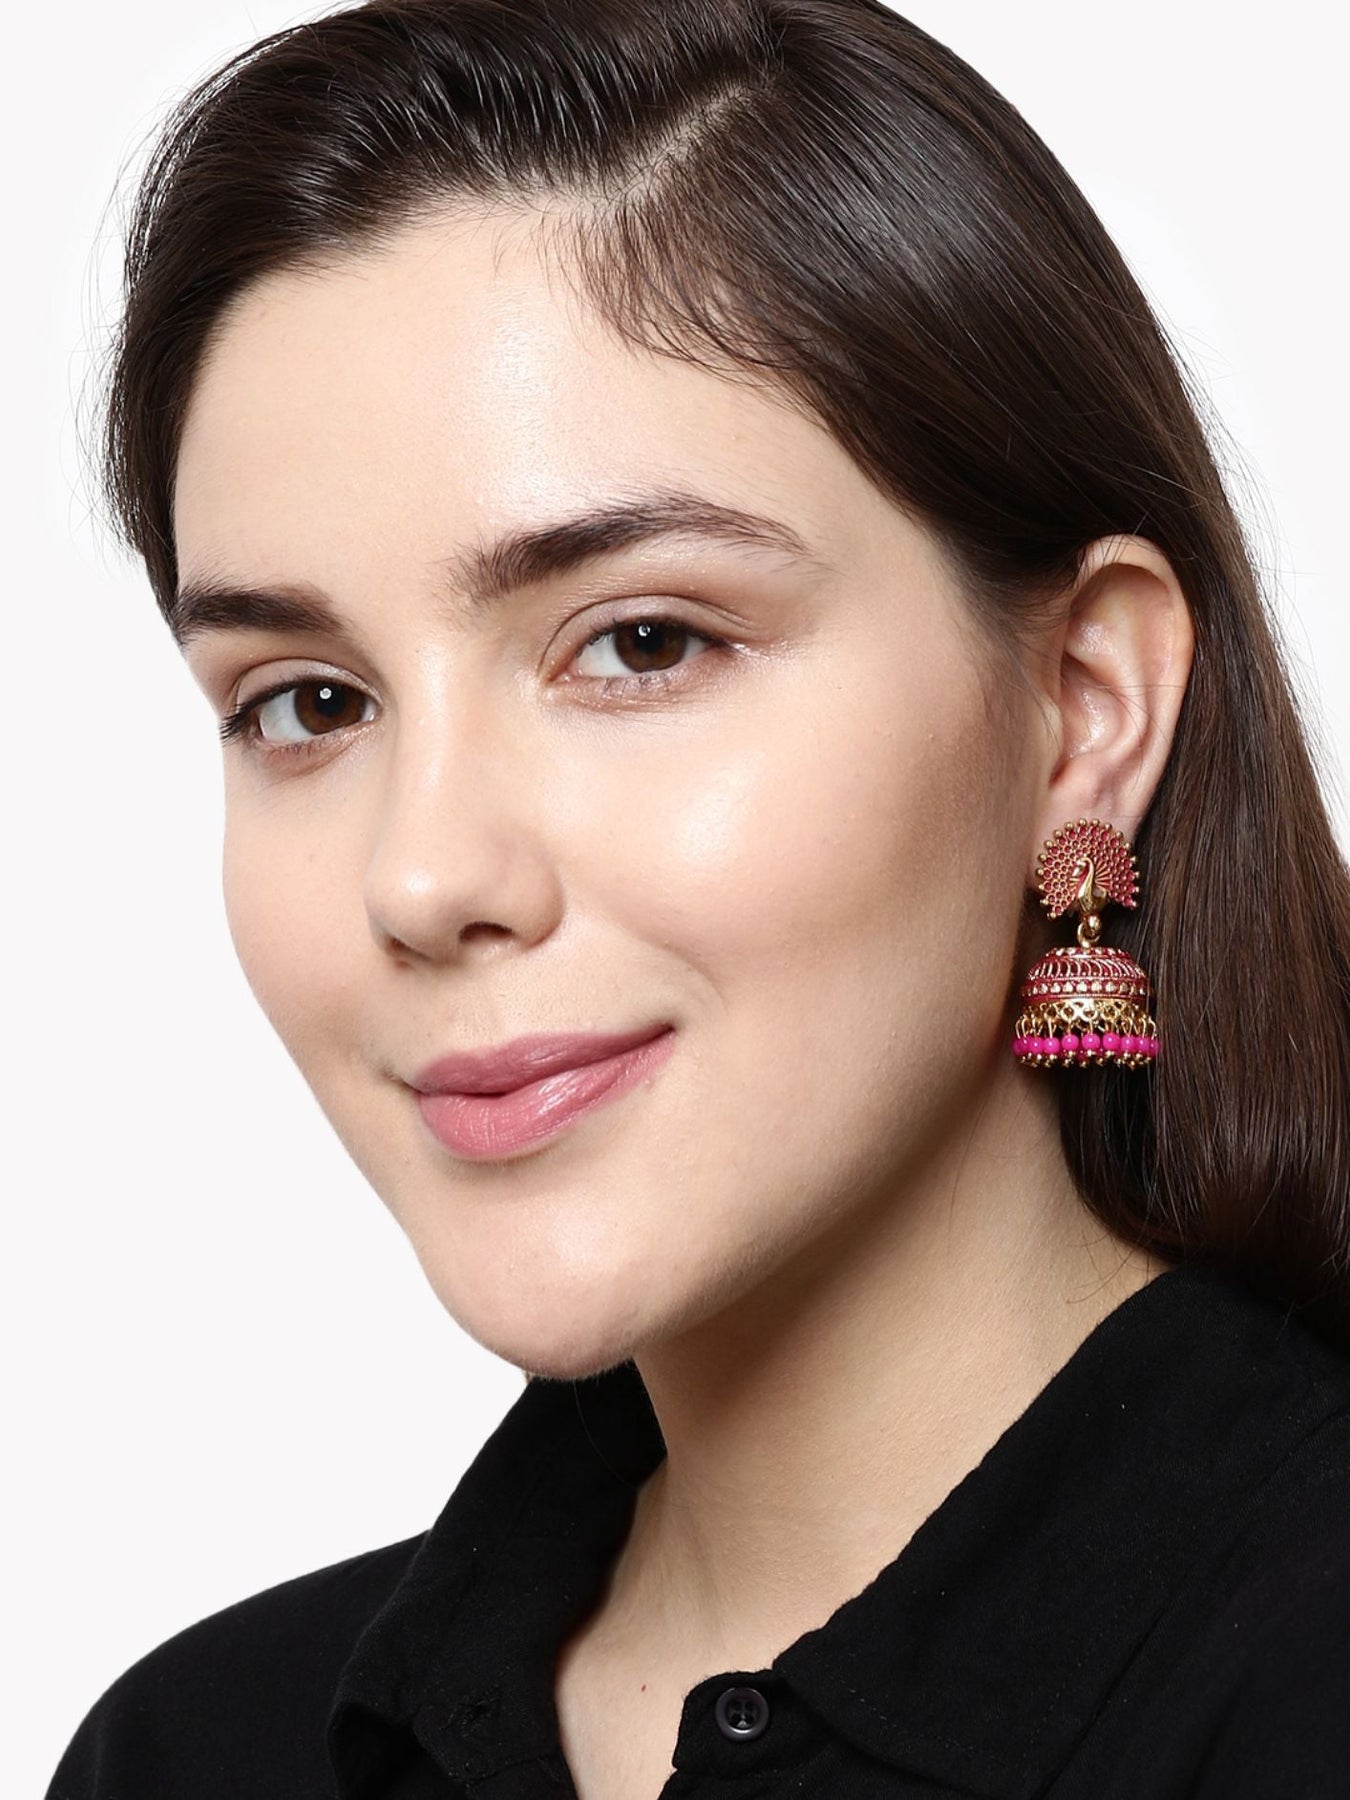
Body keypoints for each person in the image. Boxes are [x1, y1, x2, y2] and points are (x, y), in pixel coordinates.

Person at [44, 1, 1350, 1796]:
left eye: (642, 643)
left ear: (1081, 706)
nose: (423, 876)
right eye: (310, 704)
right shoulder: (198, 1755)